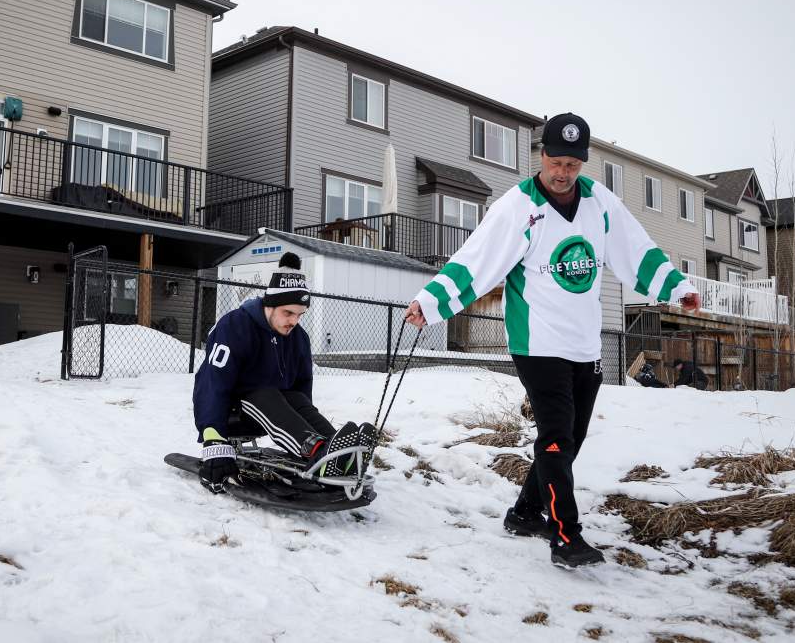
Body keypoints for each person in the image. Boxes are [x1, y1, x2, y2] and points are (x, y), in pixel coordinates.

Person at [403, 112, 701, 568]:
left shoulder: (599, 202)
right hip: (537, 342)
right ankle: (566, 537)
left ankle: (524, 513)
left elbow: (635, 249)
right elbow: (477, 259)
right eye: (556, 162)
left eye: (573, 165)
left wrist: (676, 288)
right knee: (556, 436)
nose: (563, 173)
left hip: (583, 343)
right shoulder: (518, 206)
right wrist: (432, 301)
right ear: (541, 156)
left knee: (571, 439)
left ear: (583, 164)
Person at [192, 252, 372, 493]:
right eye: (288, 313)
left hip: (275, 414)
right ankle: (317, 452)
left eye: (300, 315)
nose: (294, 321)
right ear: (269, 305)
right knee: (264, 394)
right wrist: (213, 439)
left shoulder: (298, 337)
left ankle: (339, 451)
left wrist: (302, 425)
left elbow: (302, 391)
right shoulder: (235, 326)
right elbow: (211, 383)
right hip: (231, 412)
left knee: (295, 398)